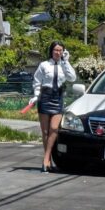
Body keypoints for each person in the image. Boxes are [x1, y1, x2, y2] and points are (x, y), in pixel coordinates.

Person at [29, 41, 76, 173]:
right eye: (56, 50)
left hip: (58, 97)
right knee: (45, 132)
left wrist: (66, 61)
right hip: (45, 97)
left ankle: (46, 158)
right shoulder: (44, 65)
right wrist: (36, 95)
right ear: (51, 51)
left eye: (60, 50)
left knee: (54, 128)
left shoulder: (64, 65)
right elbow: (37, 81)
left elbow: (72, 78)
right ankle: (47, 160)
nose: (58, 52)